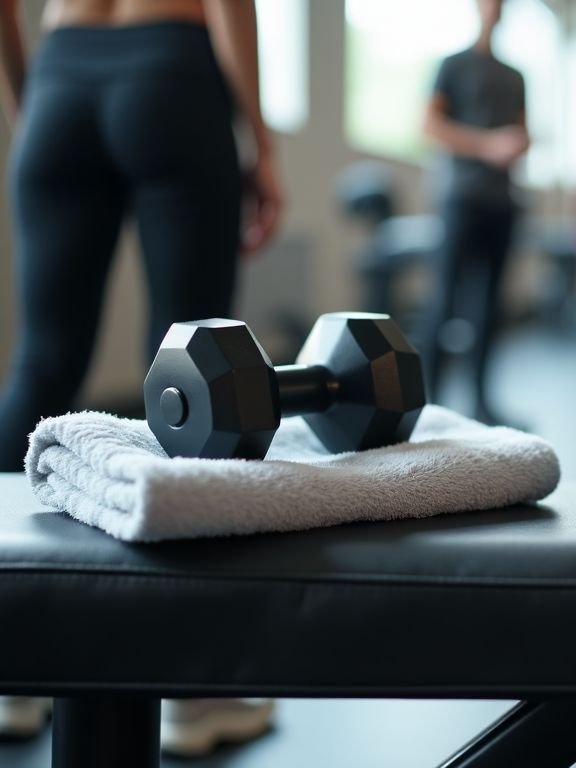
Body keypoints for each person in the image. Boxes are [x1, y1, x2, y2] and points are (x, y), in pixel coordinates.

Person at [0, 0, 282, 753]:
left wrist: (32, 97)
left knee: (40, 365)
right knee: (197, 380)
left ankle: (11, 672)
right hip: (172, 68)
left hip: (60, 76)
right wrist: (259, 139)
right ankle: (191, 689)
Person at [418, 0, 527, 426]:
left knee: (490, 306)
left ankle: (482, 402)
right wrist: (486, 145)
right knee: (443, 300)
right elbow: (429, 126)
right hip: (460, 199)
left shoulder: (516, 76)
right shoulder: (452, 65)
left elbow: (520, 128)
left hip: (503, 203)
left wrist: (517, 144)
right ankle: (430, 404)